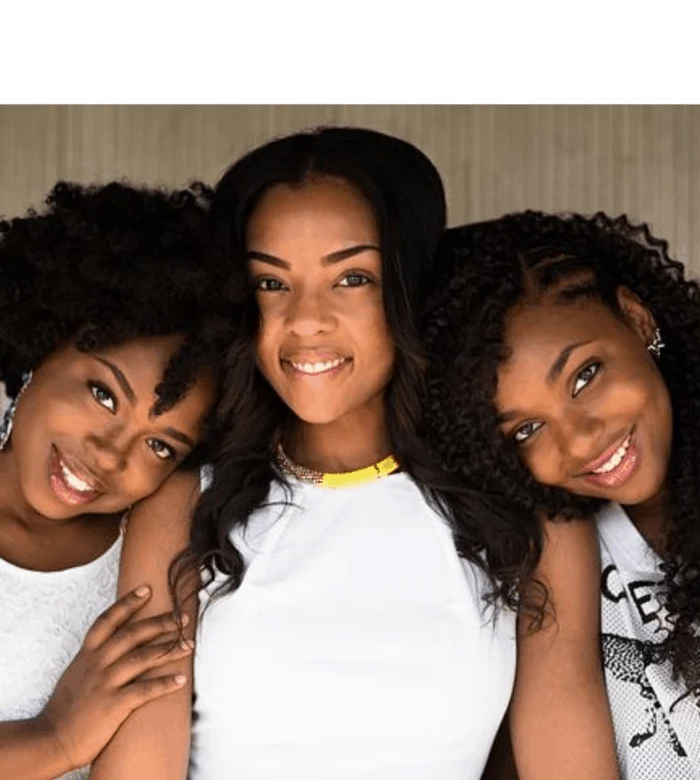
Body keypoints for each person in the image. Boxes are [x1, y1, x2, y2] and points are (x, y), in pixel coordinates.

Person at [94, 129, 616, 780]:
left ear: (404, 286)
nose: (307, 319)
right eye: (271, 282)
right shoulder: (182, 506)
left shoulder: (529, 516)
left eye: (351, 277)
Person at [420, 210, 700, 778]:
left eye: (584, 376)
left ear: (636, 319)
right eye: (525, 430)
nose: (579, 440)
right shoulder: (558, 540)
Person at [0, 179, 228, 780]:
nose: (108, 455)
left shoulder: (150, 553)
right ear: (40, 349)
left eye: (159, 444)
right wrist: (55, 740)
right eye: (103, 394)